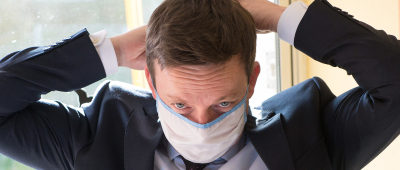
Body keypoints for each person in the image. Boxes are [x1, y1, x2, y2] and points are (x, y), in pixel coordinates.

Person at [1, 0, 400, 169]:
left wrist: (280, 19)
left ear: (251, 82)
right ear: (152, 85)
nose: (202, 124)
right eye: (180, 105)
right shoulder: (97, 139)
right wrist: (112, 52)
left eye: (223, 104)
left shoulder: (313, 136)